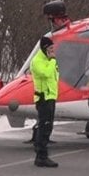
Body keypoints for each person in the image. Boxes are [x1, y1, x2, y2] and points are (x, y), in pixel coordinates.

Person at [30, 36, 59, 168]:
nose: (53, 51)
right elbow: (46, 74)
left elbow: (55, 77)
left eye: (53, 48)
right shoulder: (37, 61)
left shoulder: (49, 61)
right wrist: (52, 61)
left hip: (50, 97)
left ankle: (41, 152)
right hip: (43, 98)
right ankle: (41, 155)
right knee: (45, 126)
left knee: (48, 126)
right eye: (50, 49)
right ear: (44, 49)